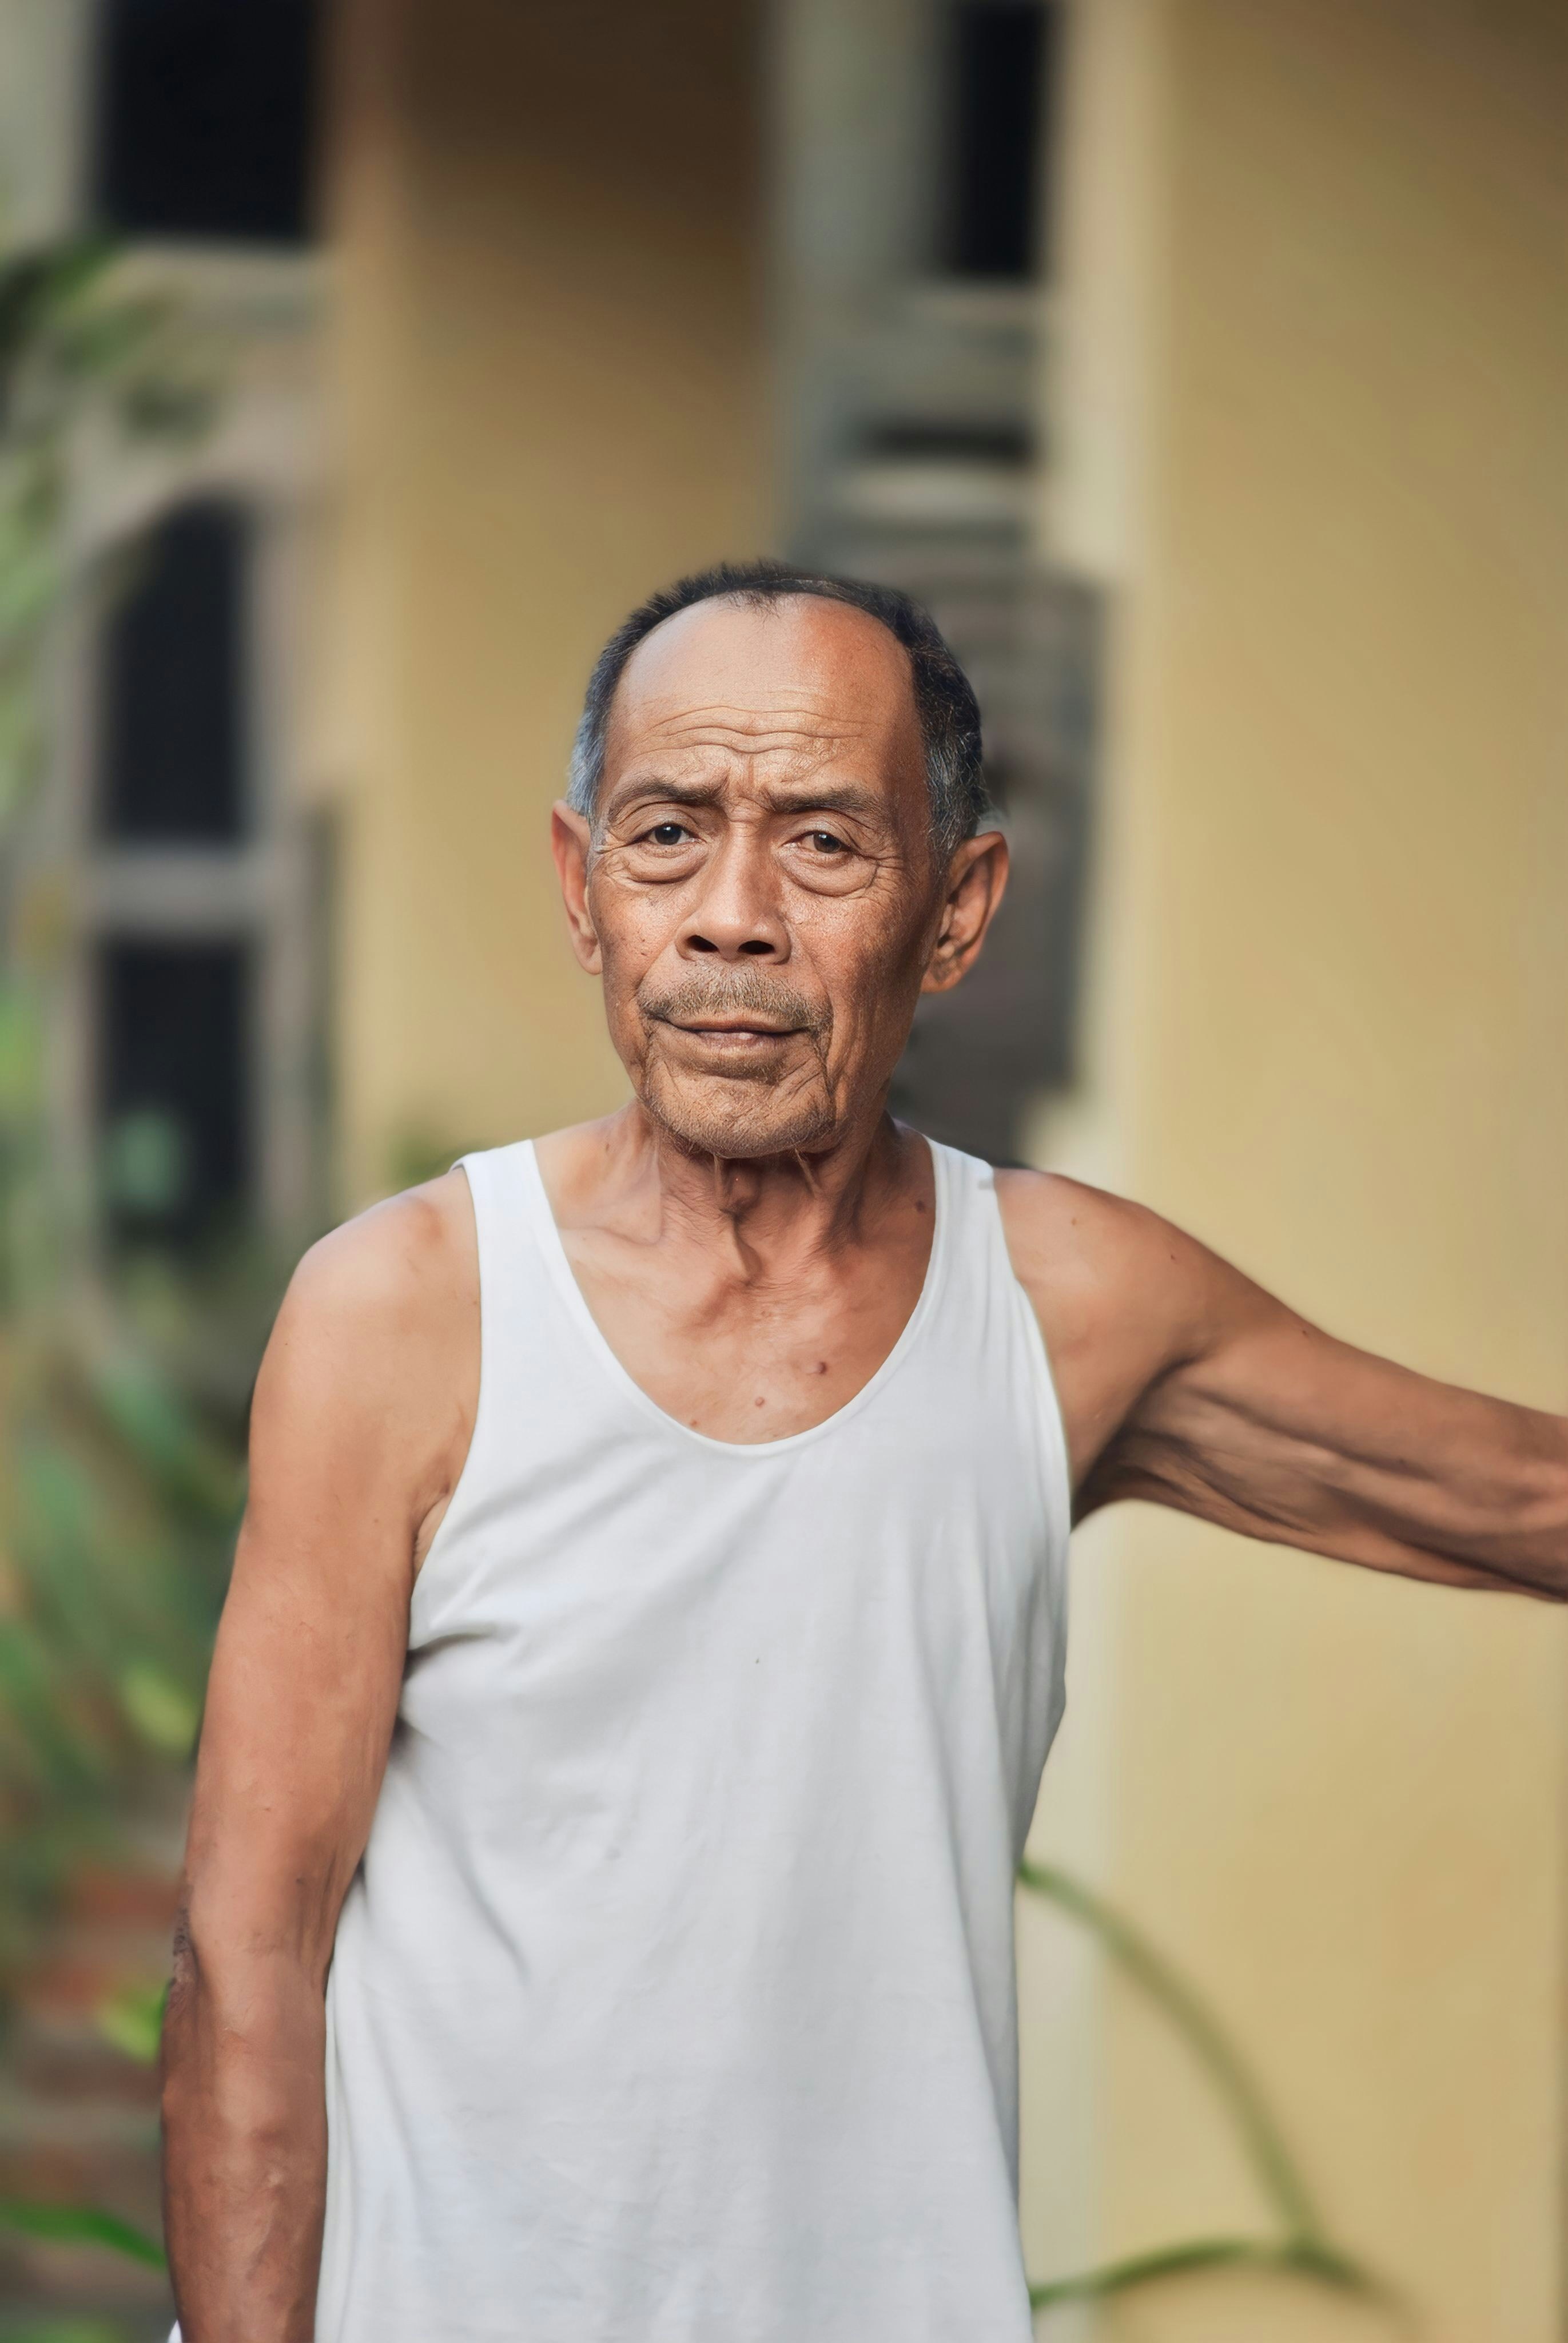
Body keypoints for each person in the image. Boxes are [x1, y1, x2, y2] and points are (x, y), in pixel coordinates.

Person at [160, 561, 1567, 2343]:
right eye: (667, 833)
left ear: (957, 909)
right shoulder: (411, 1310)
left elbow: (1515, 1495)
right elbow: (247, 1960)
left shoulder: (1066, 1307)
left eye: (823, 844)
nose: (731, 915)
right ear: (582, 887)